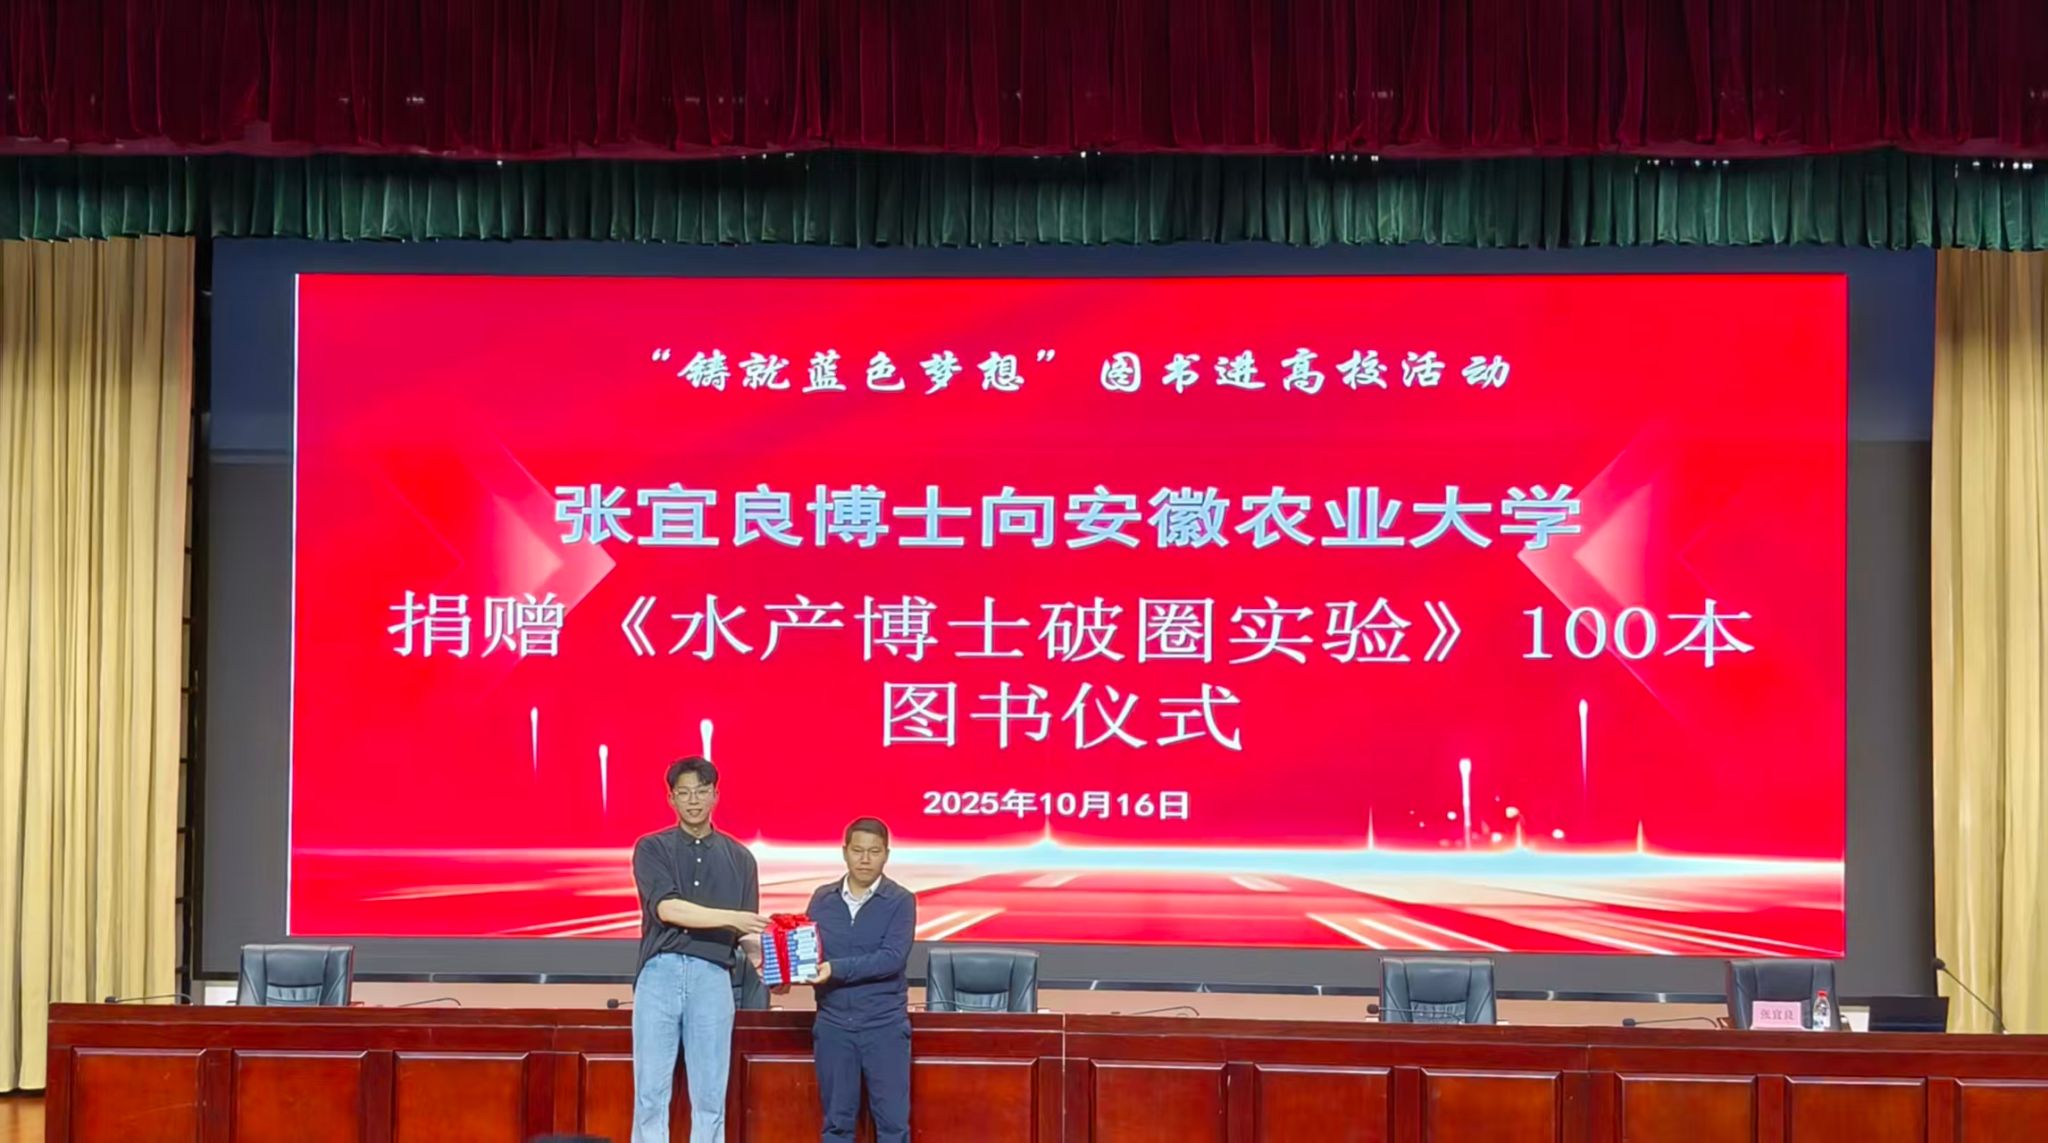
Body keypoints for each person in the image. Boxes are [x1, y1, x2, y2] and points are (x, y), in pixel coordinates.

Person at [631, 757, 766, 1143]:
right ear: (671, 799)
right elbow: (667, 909)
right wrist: (732, 918)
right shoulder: (652, 847)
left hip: (713, 976)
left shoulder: (741, 858)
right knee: (650, 1094)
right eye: (684, 793)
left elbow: (746, 935)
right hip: (660, 973)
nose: (693, 800)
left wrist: (773, 968)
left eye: (702, 792)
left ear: (715, 795)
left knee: (710, 1096)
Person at [795, 817, 918, 1143]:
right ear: (845, 852)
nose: (865, 859)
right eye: (858, 851)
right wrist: (786, 972)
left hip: (884, 1026)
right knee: (836, 1125)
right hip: (833, 1025)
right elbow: (809, 951)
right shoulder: (822, 898)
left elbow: (892, 958)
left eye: (874, 852)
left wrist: (834, 969)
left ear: (886, 855)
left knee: (893, 1126)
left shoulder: (901, 900)